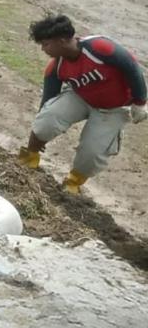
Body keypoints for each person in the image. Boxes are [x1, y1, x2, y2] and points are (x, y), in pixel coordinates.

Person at [16, 15, 147, 194]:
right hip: (80, 97)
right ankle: (28, 157)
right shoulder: (55, 68)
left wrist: (140, 102)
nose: (43, 49)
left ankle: (73, 182)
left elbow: (132, 68)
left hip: (114, 108)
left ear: (61, 41)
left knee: (92, 154)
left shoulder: (100, 48)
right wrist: (41, 133)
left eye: (46, 44)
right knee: (46, 119)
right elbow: (47, 102)